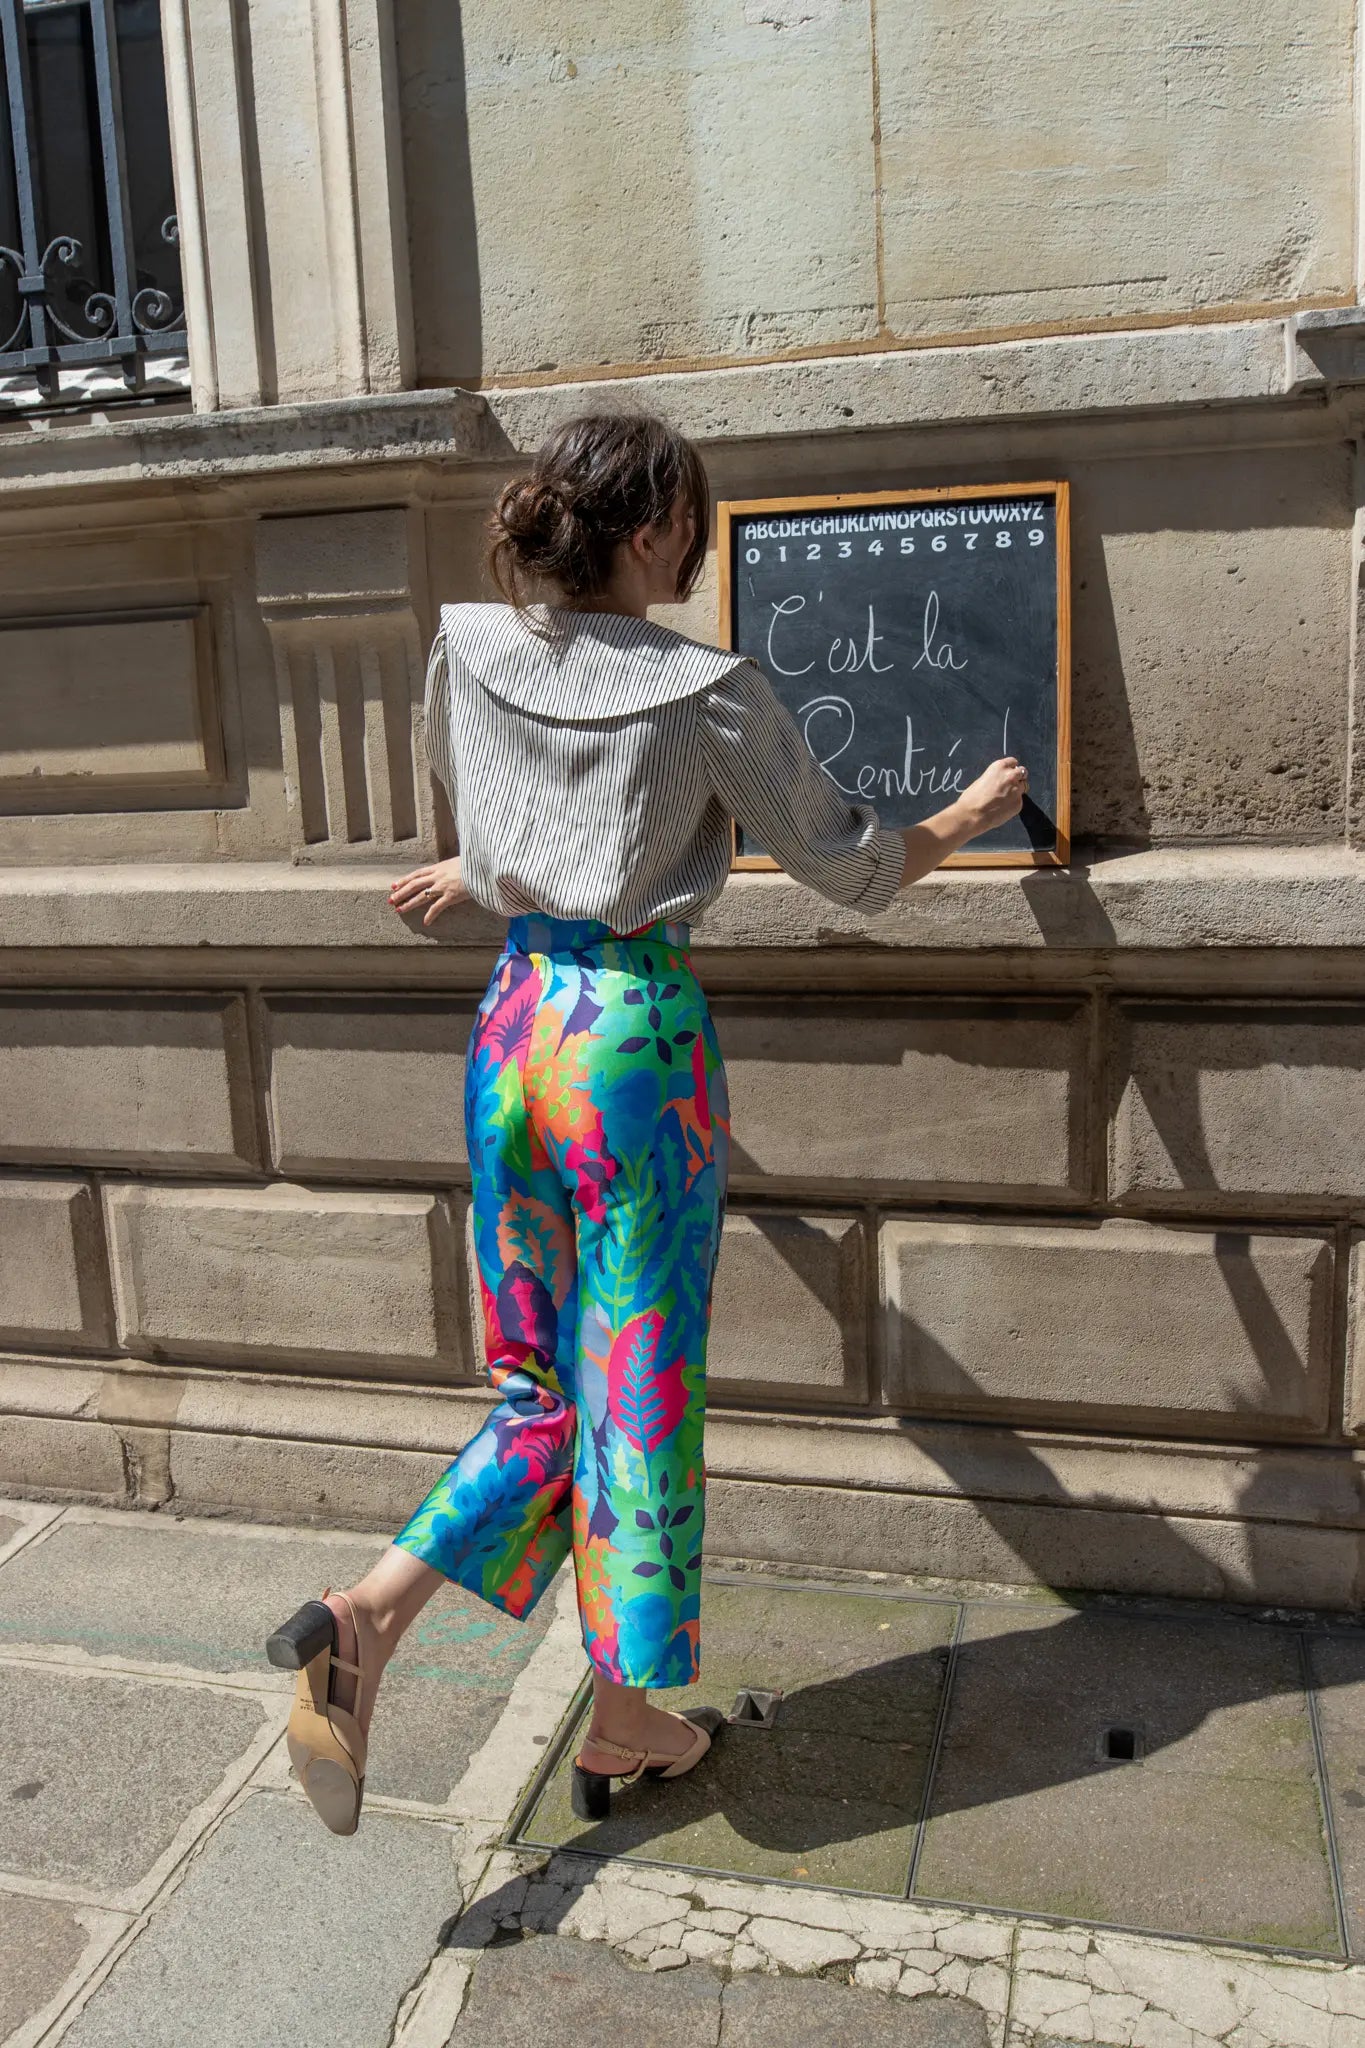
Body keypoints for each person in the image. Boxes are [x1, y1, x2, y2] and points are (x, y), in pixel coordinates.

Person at [263, 411, 1027, 1836]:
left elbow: (509, 822)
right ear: (658, 526)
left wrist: (484, 870)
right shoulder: (707, 687)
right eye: (698, 516)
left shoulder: (468, 645)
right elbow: (850, 869)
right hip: (630, 1042)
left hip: (512, 1027)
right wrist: (968, 813)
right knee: (635, 1391)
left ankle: (364, 1616)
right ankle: (621, 1713)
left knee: (541, 1388)